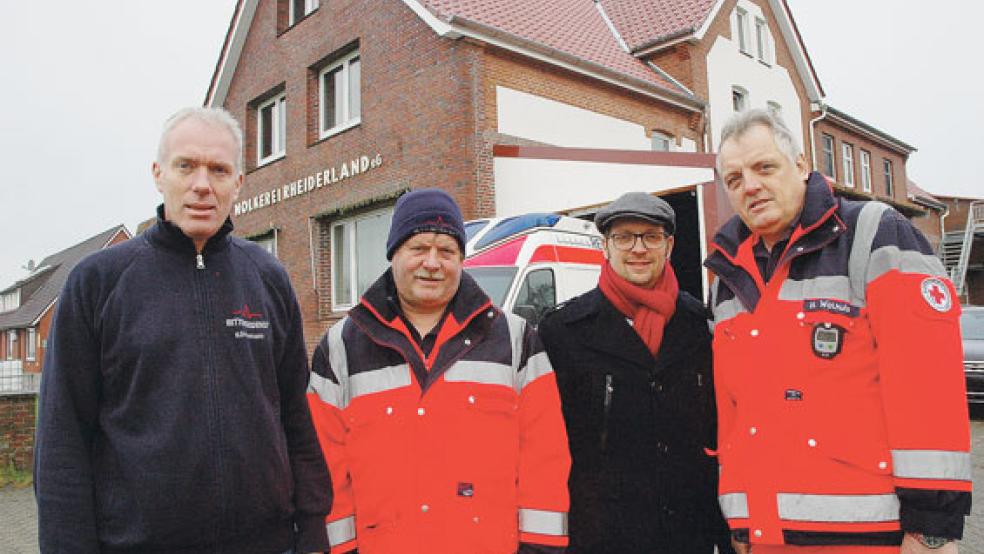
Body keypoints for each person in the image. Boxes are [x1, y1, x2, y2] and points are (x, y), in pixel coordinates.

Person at [34, 107, 331, 554]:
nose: (202, 185)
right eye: (186, 166)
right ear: (158, 174)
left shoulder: (267, 277)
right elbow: (62, 439)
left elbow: (295, 416)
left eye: (219, 169)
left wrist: (312, 532)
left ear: (239, 183)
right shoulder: (98, 282)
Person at [705, 108, 971, 553]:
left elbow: (928, 390)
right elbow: (734, 412)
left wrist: (932, 531)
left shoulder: (875, 235)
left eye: (764, 167)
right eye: (734, 179)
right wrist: (740, 526)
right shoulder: (727, 279)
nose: (749, 186)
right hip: (763, 537)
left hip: (867, 538)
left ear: (801, 165)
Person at [306, 188, 571, 553]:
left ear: (462, 259)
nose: (432, 262)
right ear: (393, 254)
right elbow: (325, 470)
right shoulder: (341, 348)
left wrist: (539, 548)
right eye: (418, 248)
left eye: (447, 251)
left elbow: (545, 458)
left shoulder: (516, 340)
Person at [537, 192, 733, 553]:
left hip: (688, 534)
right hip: (604, 536)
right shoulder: (564, 332)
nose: (638, 248)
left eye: (651, 237)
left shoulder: (700, 327)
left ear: (669, 245)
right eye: (624, 237)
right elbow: (546, 447)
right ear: (605, 246)